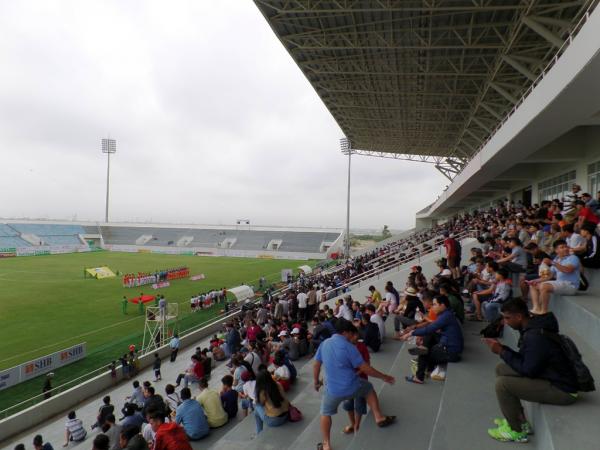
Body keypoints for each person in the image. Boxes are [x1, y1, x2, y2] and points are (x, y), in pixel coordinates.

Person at [484, 298, 578, 443]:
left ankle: (517, 431)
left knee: (502, 385)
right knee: (501, 369)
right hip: (549, 375)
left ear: (519, 317)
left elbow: (528, 370)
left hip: (563, 389)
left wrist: (502, 351)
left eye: (508, 318)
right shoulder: (531, 328)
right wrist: (503, 350)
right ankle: (520, 421)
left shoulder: (535, 336)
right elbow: (527, 361)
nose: (506, 322)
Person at [314, 319, 396, 450]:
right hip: (352, 386)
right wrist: (384, 377)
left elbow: (316, 364)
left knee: (325, 414)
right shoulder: (350, 347)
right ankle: (379, 417)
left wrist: (316, 382)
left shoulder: (324, 344)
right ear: (345, 332)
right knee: (368, 388)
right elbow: (365, 368)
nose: (354, 337)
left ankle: (326, 445)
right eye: (352, 334)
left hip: (332, 391)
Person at [403, 295, 463, 385]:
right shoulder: (447, 314)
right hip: (450, 346)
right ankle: (426, 361)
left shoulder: (445, 316)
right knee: (428, 339)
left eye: (434, 304)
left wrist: (411, 333)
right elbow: (433, 328)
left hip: (450, 352)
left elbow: (429, 328)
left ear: (442, 305)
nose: (432, 307)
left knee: (423, 353)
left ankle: (419, 377)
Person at [529, 239, 580, 315]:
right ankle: (536, 308)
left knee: (544, 286)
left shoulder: (573, 258)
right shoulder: (557, 259)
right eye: (562, 247)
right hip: (560, 283)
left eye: (566, 247)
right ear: (556, 250)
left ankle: (543, 311)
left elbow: (568, 270)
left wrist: (552, 263)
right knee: (533, 285)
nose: (565, 249)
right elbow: (550, 276)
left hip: (571, 285)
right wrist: (536, 280)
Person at [254, 368, 289, 434]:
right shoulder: (278, 384)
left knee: (256, 408)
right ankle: (258, 433)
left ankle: (258, 433)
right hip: (286, 415)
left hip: (274, 421)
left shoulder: (262, 391)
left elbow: (260, 403)